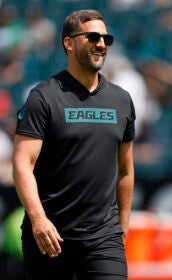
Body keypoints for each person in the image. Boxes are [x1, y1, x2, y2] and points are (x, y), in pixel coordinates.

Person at [12, 9, 135, 280]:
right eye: (92, 37)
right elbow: (22, 164)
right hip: (51, 237)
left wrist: (122, 225)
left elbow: (125, 169)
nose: (101, 44)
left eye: (106, 38)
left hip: (104, 238)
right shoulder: (42, 97)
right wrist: (39, 220)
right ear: (68, 43)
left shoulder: (121, 100)